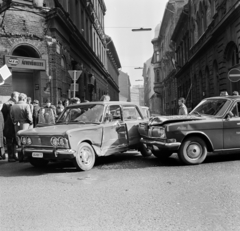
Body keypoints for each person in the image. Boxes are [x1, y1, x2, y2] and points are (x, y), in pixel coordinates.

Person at [2, 91, 19, 162]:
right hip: (9, 126)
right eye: (18, 97)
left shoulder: (12, 104)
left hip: (11, 125)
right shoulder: (6, 104)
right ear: (14, 97)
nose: (18, 98)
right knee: (10, 141)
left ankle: (13, 155)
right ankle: (11, 156)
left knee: (13, 141)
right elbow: (4, 116)